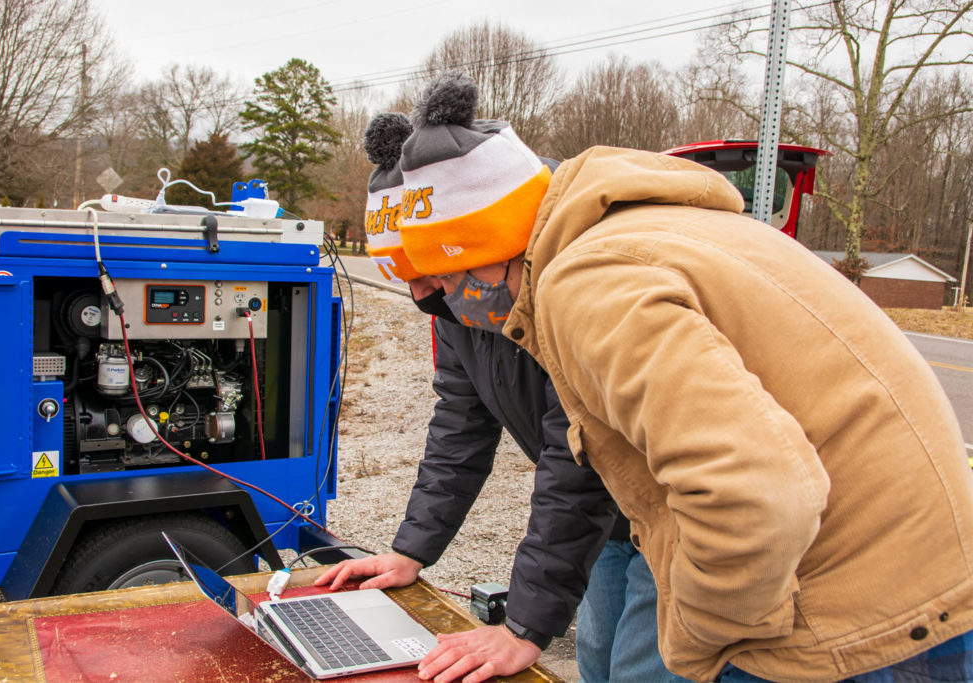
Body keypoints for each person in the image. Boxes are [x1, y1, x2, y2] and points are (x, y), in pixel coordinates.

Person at [395, 71, 973, 683]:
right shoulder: (647, 230)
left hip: (858, 618)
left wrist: (696, 642)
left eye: (448, 281)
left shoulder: (585, 281)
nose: (446, 301)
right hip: (920, 579)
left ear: (487, 247)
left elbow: (756, 496)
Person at [316, 113, 689, 682]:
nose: (422, 294)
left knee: (643, 670)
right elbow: (459, 426)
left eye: (430, 271)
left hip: (676, 510)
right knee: (596, 657)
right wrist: (411, 550)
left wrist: (524, 627)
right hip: (610, 513)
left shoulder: (571, 279)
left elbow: (575, 447)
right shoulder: (456, 301)